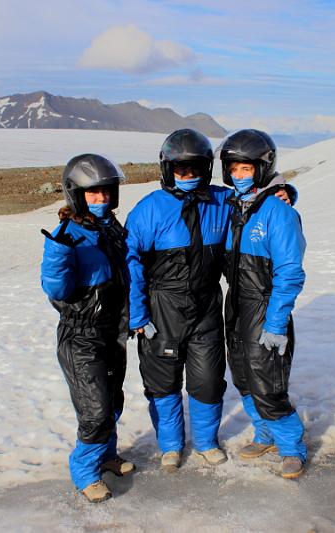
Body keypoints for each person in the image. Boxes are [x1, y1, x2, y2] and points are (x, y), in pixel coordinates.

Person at [125, 129, 293, 472]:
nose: (187, 177)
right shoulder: (148, 210)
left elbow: (257, 203)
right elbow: (129, 263)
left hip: (206, 310)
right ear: (167, 169)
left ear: (207, 170)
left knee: (207, 380)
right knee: (163, 382)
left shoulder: (220, 202)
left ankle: (205, 442)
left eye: (195, 170)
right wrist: (138, 315)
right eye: (180, 170)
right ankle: (171, 447)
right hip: (162, 310)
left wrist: (284, 191)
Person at [40, 153, 134, 503]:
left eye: (106, 192)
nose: (102, 198)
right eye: (93, 193)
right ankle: (85, 472)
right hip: (81, 335)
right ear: (76, 195)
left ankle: (106, 455)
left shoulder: (111, 227)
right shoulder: (68, 234)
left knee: (112, 400)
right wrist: (58, 253)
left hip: (111, 330)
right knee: (94, 410)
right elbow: (56, 290)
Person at [217, 129, 308, 479]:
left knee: (268, 380)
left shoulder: (277, 212)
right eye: (234, 170)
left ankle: (291, 447)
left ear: (262, 168)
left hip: (265, 306)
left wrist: (275, 321)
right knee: (243, 375)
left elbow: (290, 271)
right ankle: (265, 433)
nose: (240, 176)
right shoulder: (232, 207)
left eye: (247, 169)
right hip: (236, 304)